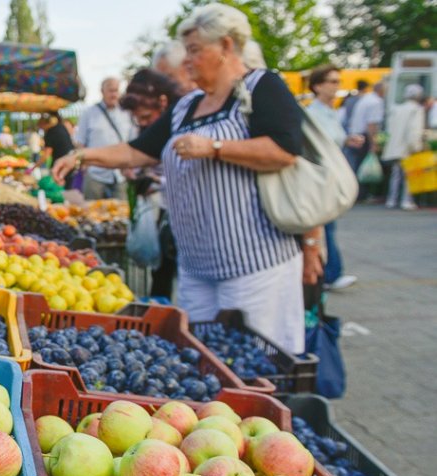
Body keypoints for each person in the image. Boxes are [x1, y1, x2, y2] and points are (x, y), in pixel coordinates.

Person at [53, 4, 316, 354]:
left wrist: (216, 147)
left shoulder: (261, 86)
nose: (187, 60)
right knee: (203, 359)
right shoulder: (187, 105)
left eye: (195, 50)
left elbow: (285, 149)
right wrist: (82, 156)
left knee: (254, 362)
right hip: (196, 266)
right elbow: (138, 151)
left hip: (254, 267)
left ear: (225, 46)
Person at [120, 69, 183, 299]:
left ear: (163, 103)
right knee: (161, 272)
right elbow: (135, 156)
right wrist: (134, 172)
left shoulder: (180, 125)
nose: (144, 123)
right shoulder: (145, 129)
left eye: (147, 117)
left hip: (176, 212)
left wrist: (159, 181)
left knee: (171, 272)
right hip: (160, 210)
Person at [305, 64, 360, 291]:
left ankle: (329, 272)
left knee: (327, 226)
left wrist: (348, 140)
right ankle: (330, 273)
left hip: (332, 177)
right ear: (318, 86)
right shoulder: (313, 113)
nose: (337, 86)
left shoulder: (331, 112)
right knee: (324, 227)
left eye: (338, 81)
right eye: (332, 82)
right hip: (321, 177)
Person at [75, 77, 138, 200]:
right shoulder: (89, 113)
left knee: (121, 214)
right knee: (92, 213)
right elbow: (80, 142)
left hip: (121, 174)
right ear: (102, 91)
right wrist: (82, 164)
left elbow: (133, 142)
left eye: (116, 90)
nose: (114, 94)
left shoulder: (127, 113)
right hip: (95, 174)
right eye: (110, 90)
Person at [382, 83, 426, 210]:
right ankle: (406, 200)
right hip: (407, 147)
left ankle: (392, 199)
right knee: (409, 175)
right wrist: (416, 147)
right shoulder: (417, 109)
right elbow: (414, 130)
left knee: (395, 175)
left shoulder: (397, 109)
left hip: (395, 146)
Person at [346, 80, 386, 199]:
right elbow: (371, 124)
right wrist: (374, 143)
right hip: (364, 136)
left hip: (355, 133)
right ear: (381, 90)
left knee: (356, 165)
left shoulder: (366, 99)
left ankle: (355, 194)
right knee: (364, 167)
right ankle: (363, 194)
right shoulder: (376, 102)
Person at [37, 112, 75, 187]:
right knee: (68, 185)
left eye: (40, 126)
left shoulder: (50, 133)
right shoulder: (61, 127)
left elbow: (46, 154)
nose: (41, 128)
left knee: (58, 186)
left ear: (44, 124)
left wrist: (35, 166)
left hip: (61, 163)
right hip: (70, 160)